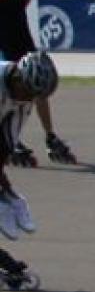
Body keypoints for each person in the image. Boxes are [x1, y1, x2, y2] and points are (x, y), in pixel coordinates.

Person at [0, 0, 71, 167]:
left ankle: (50, 136)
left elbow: (24, 1)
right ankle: (10, 137)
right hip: (1, 34)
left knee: (37, 81)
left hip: (20, 30)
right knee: (10, 86)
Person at [0, 53, 57, 250]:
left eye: (35, 96)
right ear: (19, 79)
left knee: (5, 149)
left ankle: (13, 201)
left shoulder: (25, 97)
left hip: (7, 104)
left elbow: (7, 144)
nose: (29, 99)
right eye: (28, 92)